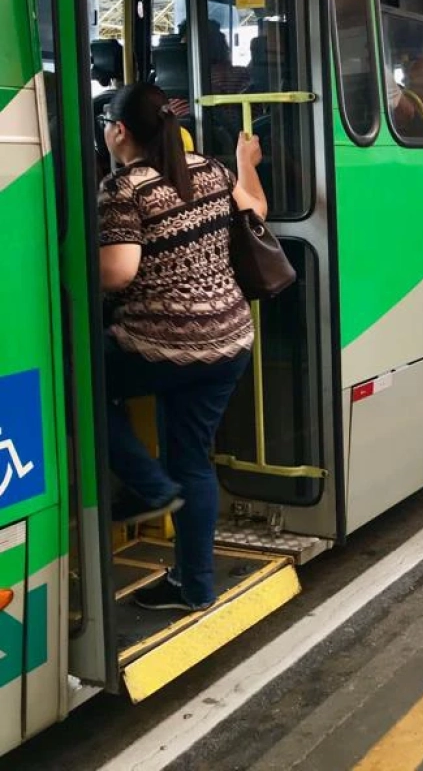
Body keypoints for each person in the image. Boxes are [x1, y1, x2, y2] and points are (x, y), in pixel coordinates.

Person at [98, 82, 267, 612]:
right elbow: (255, 209)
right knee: (193, 463)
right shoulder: (210, 169)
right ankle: (194, 588)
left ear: (119, 130)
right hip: (230, 341)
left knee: (79, 386)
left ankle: (149, 486)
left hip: (162, 344)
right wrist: (246, 162)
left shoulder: (123, 188)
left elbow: (119, 273)